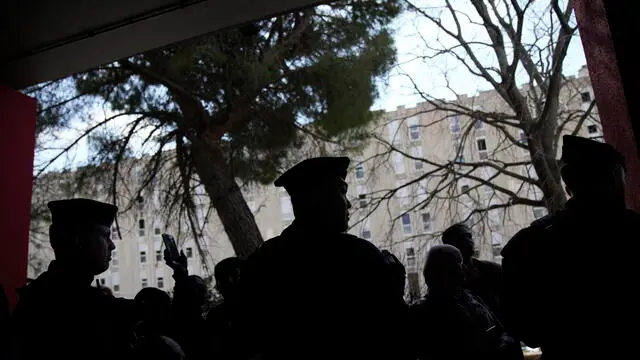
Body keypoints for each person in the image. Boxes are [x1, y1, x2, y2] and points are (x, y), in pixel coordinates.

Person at [240, 157, 408, 360]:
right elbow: (395, 336)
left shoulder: (264, 260)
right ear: (317, 198)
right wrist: (394, 291)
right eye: (341, 192)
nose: (349, 203)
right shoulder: (360, 256)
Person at [501, 135, 640, 359]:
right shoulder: (636, 232)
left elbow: (526, 330)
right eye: (617, 175)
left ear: (568, 184)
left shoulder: (526, 246)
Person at [9, 198, 139, 360]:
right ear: (79, 240)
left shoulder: (40, 295)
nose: (111, 245)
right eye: (106, 236)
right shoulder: (77, 306)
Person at [409, 245, 521, 360]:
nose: (464, 268)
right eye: (458, 262)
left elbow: (499, 327)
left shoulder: (470, 296)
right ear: (442, 270)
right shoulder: (423, 311)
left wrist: (505, 340)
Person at [442, 223, 502, 318]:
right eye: (461, 238)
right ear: (451, 246)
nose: (468, 241)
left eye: (469, 236)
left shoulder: (491, 269)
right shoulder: (446, 281)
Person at [206, 257, 245, 360]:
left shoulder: (216, 315)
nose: (233, 282)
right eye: (226, 280)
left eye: (238, 277)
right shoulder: (216, 317)